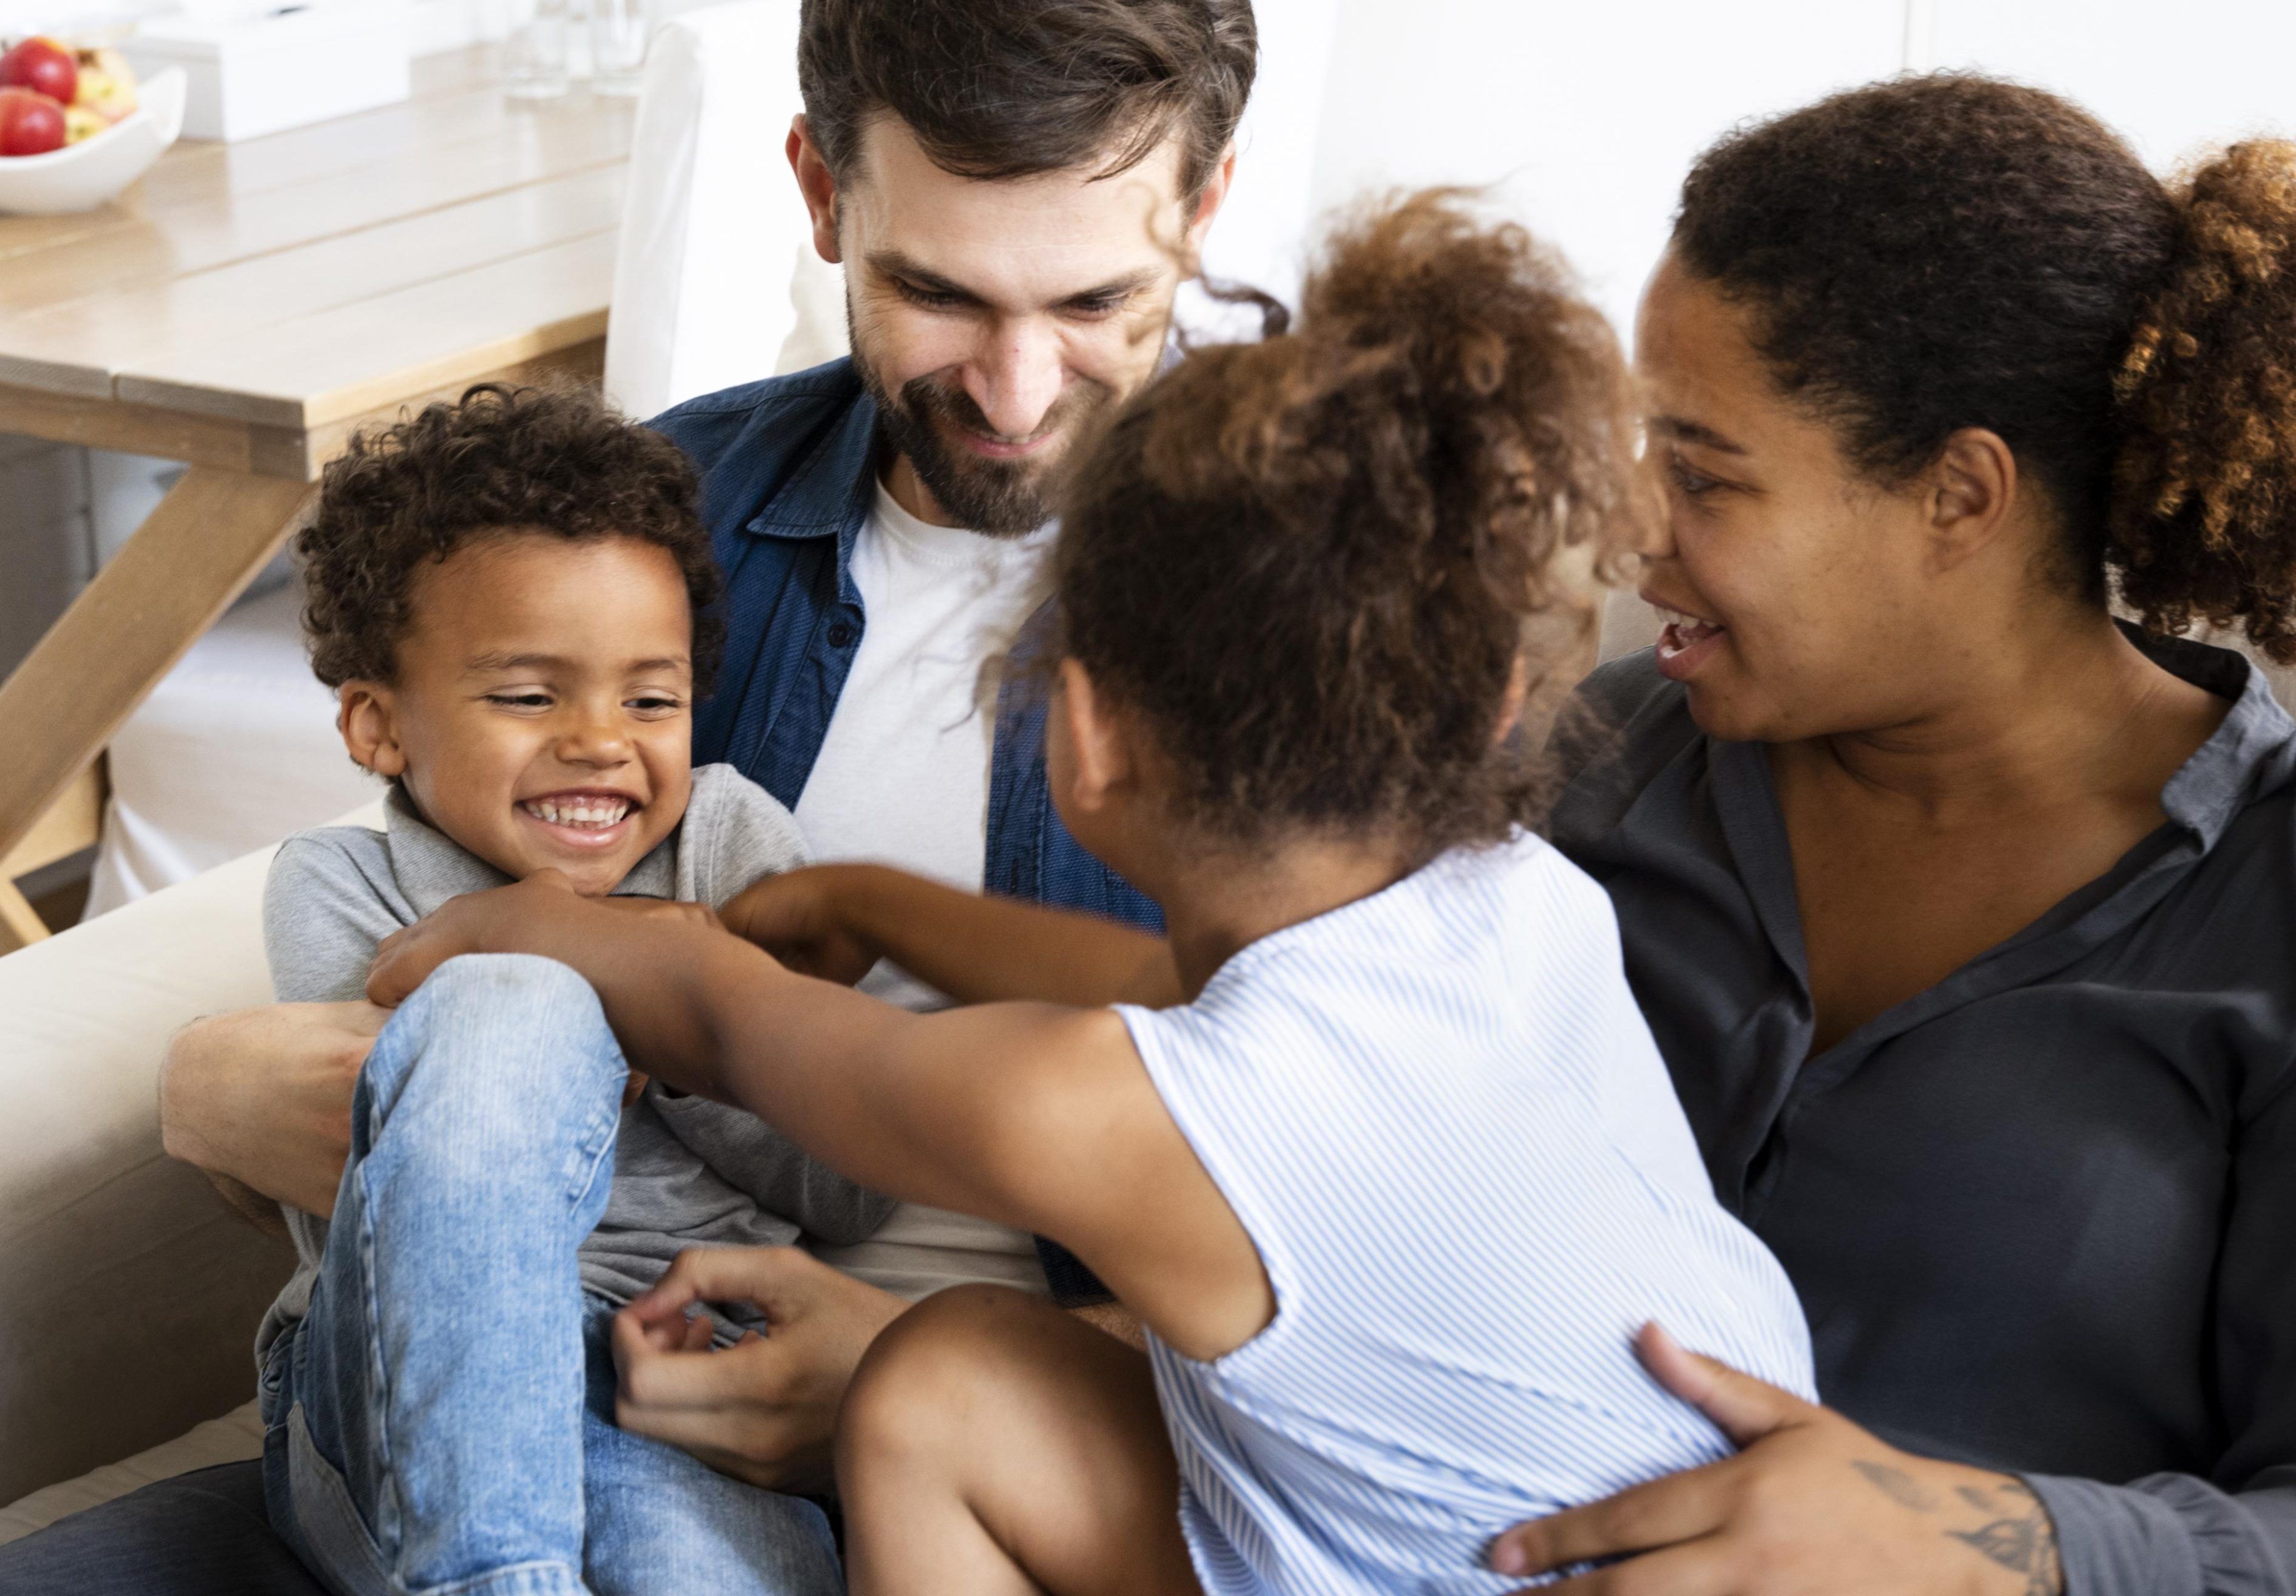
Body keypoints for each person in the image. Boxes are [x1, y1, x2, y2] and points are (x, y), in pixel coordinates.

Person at [0, 2, 1254, 1592]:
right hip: (478, 1417)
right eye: (938, 294)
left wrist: (932, 1380)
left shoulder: (1335, 618)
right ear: (823, 193)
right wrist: (206, 1086)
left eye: (1096, 301)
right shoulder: (667, 522)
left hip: (985, 1484)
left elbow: (1404, 1235)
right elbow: (418, 914)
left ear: (1206, 206)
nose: (1018, 393)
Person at [361, 189, 1817, 1596]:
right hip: (1661, 1520)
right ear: (1495, 701)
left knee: (930, 1377)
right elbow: (1177, 993)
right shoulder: (1515, 896)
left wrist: (546, 927)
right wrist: (881, 902)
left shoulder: (1097, 1116)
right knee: (964, 1367)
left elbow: (741, 1023)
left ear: (1087, 732)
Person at [1486, 78, 2296, 1596]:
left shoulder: (2266, 900)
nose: (1633, 529)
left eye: (1703, 474)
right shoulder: (1606, 758)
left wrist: (1996, 1543)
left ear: (1959, 496)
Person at [257, 383, 900, 1595]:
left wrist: (683, 1011)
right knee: (510, 1005)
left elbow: (851, 1186)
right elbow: (390, 1165)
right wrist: (638, 983)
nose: (603, 739)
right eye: (528, 695)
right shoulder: (338, 883)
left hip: (688, 1373)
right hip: (401, 1368)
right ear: (379, 726)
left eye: (650, 699)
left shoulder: (731, 843)